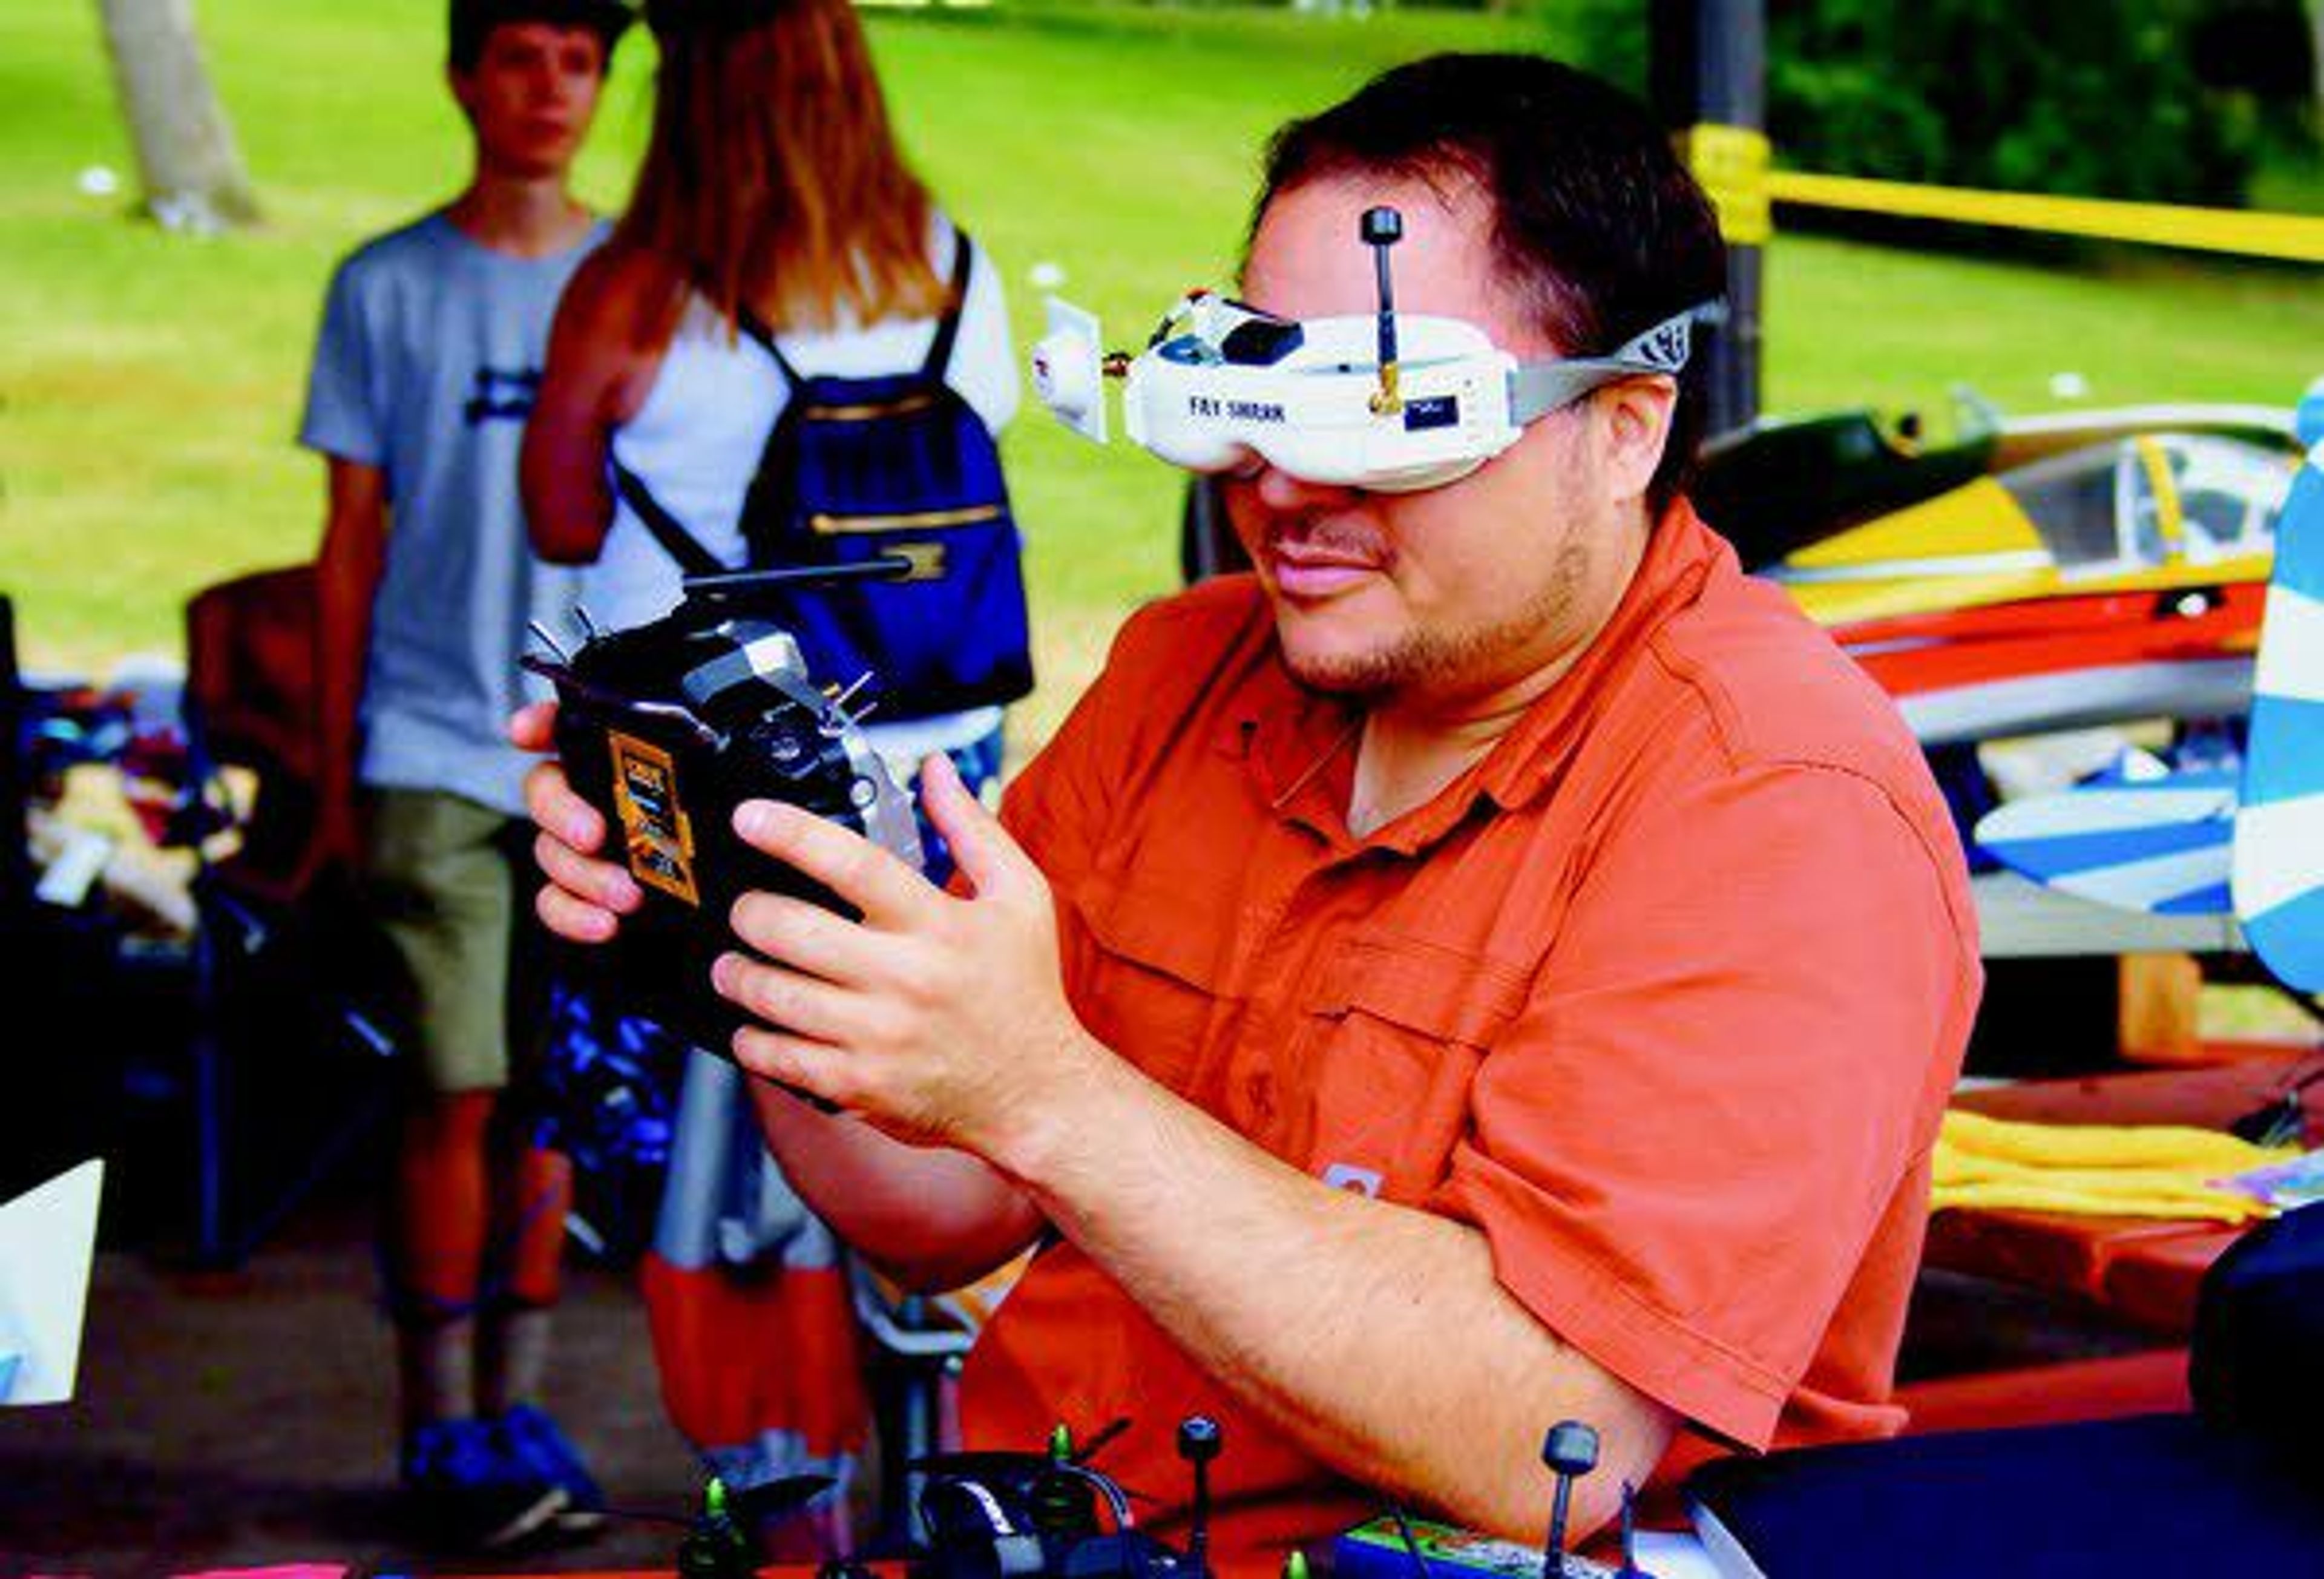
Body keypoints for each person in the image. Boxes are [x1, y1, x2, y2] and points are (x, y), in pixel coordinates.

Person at [518, 51, 1981, 1567]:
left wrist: (1043, 1090)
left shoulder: (1777, 805)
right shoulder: (1189, 670)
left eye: (1379, 415)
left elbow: (1552, 1442)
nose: (1280, 485)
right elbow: (943, 1202)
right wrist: (750, 934)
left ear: (1622, 426)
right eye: (1251, 396)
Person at [516, 0, 1020, 1547]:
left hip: (708, 813)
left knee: (707, 1182)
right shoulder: (946, 259)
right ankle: (908, 1473)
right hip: (931, 791)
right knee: (916, 1165)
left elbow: (550, 508)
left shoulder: (641, 287)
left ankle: (774, 1509)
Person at [298, 0, 632, 1551]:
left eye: (581, 58)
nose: (551, 88)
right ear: (462, 77)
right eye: (521, 55)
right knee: (456, 1086)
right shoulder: (386, 286)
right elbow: (350, 538)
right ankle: (436, 1427)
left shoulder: (638, 281)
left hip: (589, 758)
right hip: (432, 744)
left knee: (553, 1100)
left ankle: (522, 1404)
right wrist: (332, 762)